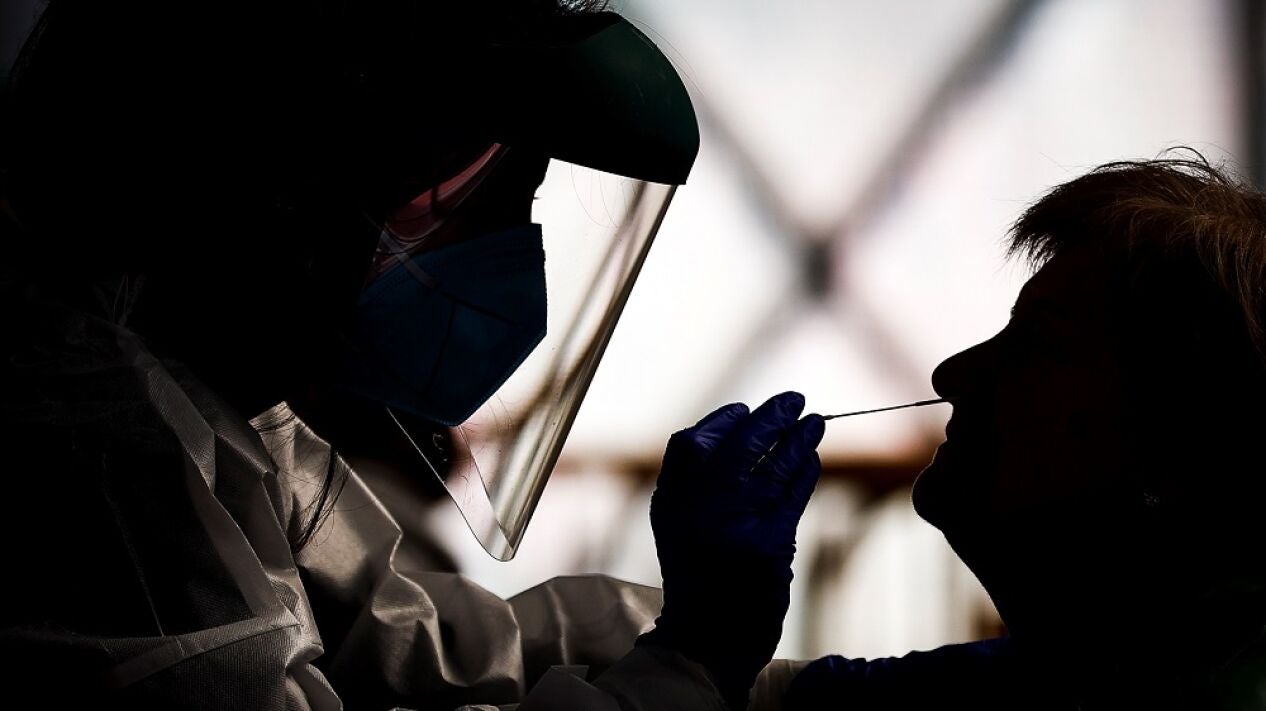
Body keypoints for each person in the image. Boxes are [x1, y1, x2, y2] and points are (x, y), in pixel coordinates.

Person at [0, 1, 824, 709]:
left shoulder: (216, 399)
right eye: (483, 200)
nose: (511, 259)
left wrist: (760, 681)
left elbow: (408, 637)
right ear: (307, 175)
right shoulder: (97, 449)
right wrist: (686, 665)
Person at [783, 156, 1266, 710]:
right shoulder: (1074, 670)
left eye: (1038, 345)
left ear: (1183, 442)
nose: (951, 374)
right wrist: (707, 654)